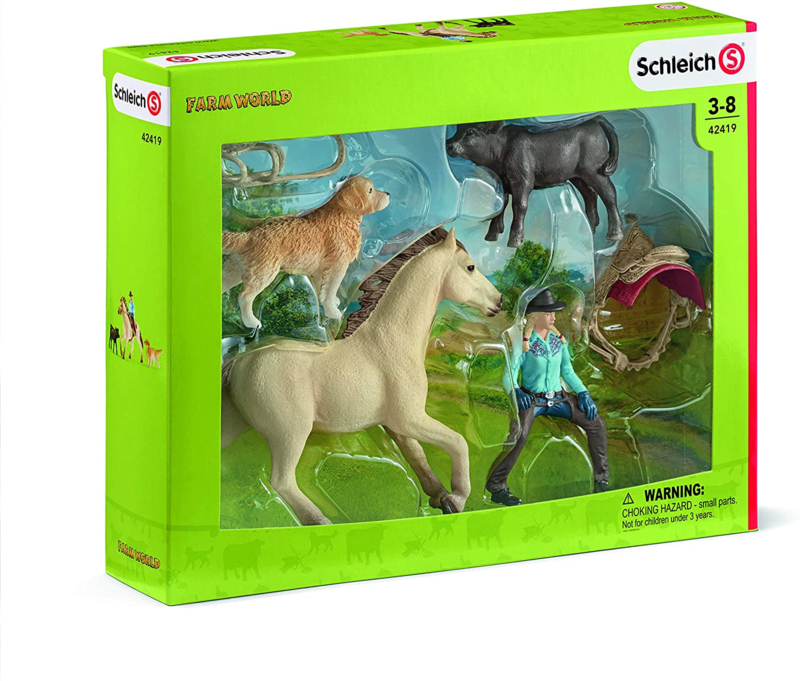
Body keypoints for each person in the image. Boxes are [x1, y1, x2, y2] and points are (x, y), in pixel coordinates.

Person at [487, 288, 609, 506]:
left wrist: (583, 392)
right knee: (518, 435)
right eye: (548, 313)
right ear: (535, 316)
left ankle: (602, 479)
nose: (553, 317)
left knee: (596, 423)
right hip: (533, 400)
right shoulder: (523, 344)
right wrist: (516, 391)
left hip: (560, 399)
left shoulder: (558, 342)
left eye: (553, 313)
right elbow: (509, 374)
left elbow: (568, 371)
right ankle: (497, 486)